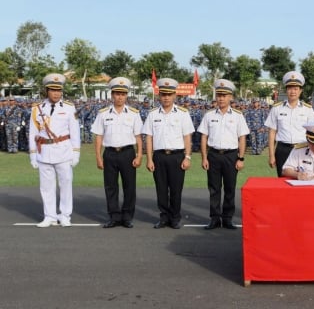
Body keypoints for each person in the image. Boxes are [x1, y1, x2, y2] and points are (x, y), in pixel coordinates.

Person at [29, 73, 81, 227]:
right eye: (53, 90)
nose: (56, 93)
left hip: (63, 151)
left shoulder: (69, 107)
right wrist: (32, 155)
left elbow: (75, 132)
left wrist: (76, 153)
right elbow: (33, 133)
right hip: (44, 151)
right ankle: (49, 216)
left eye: (59, 90)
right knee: (46, 187)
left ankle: (65, 215)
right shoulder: (37, 109)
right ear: (47, 91)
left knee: (65, 184)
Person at [142, 78, 195, 229]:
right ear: (159, 96)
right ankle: (164, 217)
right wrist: (149, 159)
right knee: (161, 189)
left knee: (176, 189)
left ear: (174, 96)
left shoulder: (183, 114)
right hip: (159, 156)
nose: (166, 97)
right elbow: (149, 137)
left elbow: (187, 137)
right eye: (163, 94)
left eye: (169, 94)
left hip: (177, 156)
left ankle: (175, 218)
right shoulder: (152, 114)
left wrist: (188, 157)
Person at [91, 77, 143, 228]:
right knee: (110, 187)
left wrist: (139, 155)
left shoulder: (134, 113)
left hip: (127, 153)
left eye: (123, 94)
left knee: (129, 186)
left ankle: (127, 217)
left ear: (126, 95)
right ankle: (114, 216)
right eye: (116, 93)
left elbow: (139, 136)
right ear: (112, 95)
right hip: (110, 154)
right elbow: (99, 136)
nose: (119, 97)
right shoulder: (103, 113)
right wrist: (98, 157)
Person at [198, 79, 249, 230]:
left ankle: (227, 218)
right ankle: (214, 218)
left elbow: (242, 138)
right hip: (213, 155)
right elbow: (203, 137)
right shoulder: (209, 115)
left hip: (231, 155)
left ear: (230, 97)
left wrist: (240, 158)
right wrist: (204, 157)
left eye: (224, 95)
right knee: (214, 189)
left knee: (229, 188)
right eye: (219, 95)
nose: (221, 98)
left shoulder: (238, 116)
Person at [265, 71, 314, 177]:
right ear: (286, 90)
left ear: (300, 91)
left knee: (304, 179)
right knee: (283, 182)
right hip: (282, 150)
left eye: (296, 89)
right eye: (290, 88)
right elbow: (272, 133)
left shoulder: (307, 109)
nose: (292, 92)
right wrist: (271, 155)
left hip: (302, 149)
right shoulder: (277, 108)